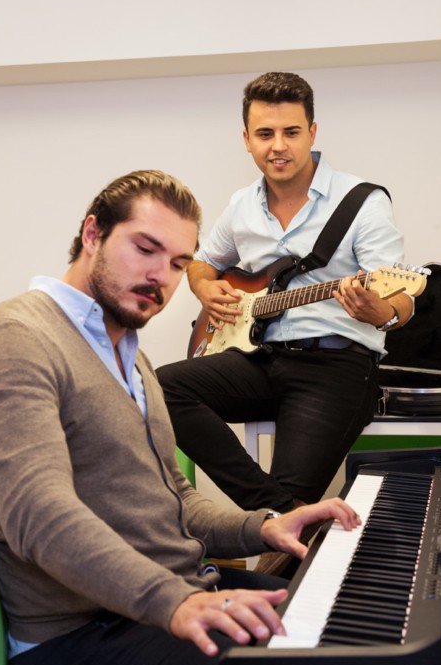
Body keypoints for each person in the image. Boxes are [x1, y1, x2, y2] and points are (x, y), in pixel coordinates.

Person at [0, 169, 361, 665]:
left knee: (348, 626)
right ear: (93, 233)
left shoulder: (128, 354)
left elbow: (173, 499)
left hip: (170, 595)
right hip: (82, 634)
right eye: (145, 249)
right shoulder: (15, 342)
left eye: (178, 264)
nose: (161, 277)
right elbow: (40, 517)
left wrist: (264, 526)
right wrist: (173, 602)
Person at [157, 72, 413, 521]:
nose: (278, 145)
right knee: (158, 387)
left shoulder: (362, 202)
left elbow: (402, 302)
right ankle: (284, 512)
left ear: (312, 132)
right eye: (265, 134)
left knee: (282, 524)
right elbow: (200, 262)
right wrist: (203, 286)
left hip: (335, 367)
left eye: (291, 132)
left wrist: (380, 312)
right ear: (247, 140)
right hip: (260, 359)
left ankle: (278, 518)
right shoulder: (241, 205)